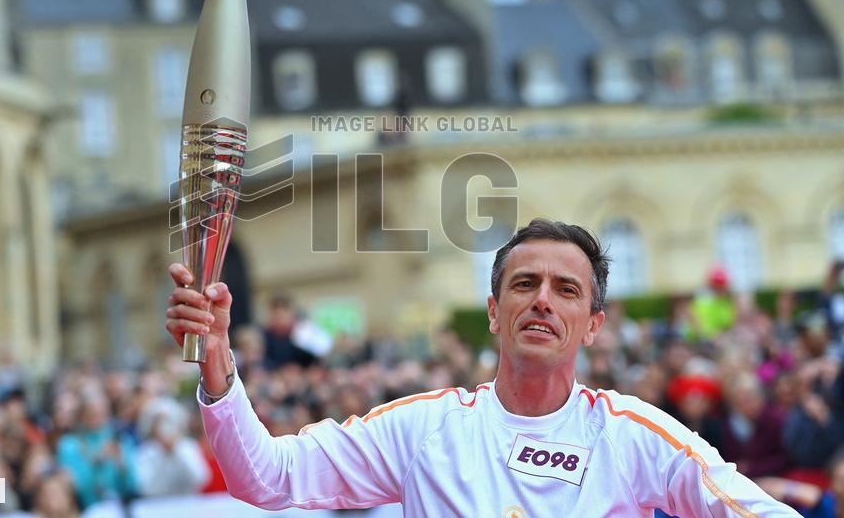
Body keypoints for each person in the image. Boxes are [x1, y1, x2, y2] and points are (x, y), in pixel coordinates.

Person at [166, 218, 801, 516]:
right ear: (495, 312)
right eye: (525, 284)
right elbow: (269, 478)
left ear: (594, 325)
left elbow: (756, 512)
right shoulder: (425, 429)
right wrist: (218, 361)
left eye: (567, 289)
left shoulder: (633, 435)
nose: (543, 300)